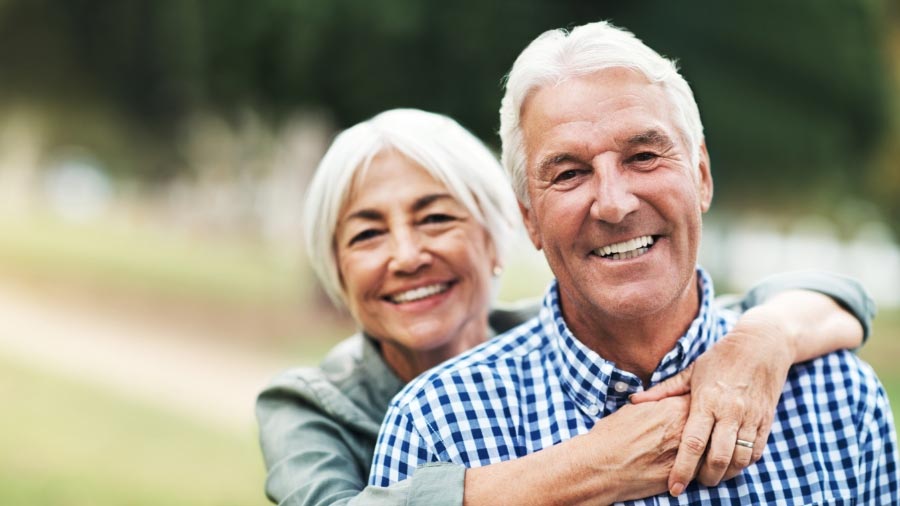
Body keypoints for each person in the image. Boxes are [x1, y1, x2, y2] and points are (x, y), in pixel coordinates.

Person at [369, 24, 899, 505]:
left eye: (644, 156)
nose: (615, 203)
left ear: (702, 177)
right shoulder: (438, 429)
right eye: (570, 173)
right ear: (529, 218)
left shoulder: (836, 397)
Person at [258, 108, 874, 506]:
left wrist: (763, 339)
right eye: (367, 235)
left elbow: (806, 302)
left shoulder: (571, 334)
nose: (407, 255)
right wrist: (602, 462)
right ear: (335, 271)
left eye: (437, 219)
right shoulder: (315, 407)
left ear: (500, 236)